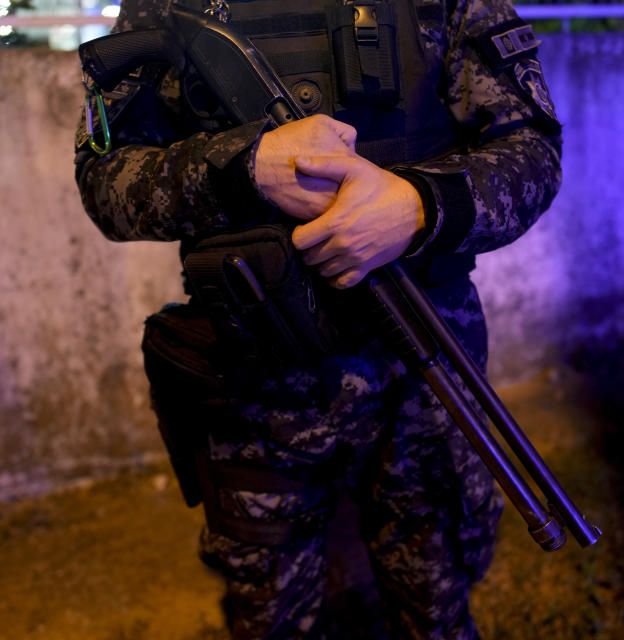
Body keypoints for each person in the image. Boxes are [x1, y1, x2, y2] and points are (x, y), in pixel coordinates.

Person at [74, 0, 561, 636]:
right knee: (269, 613)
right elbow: (104, 179)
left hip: (426, 364)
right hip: (254, 377)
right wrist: (241, 167)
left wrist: (418, 206)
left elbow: (532, 151)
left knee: (436, 599)